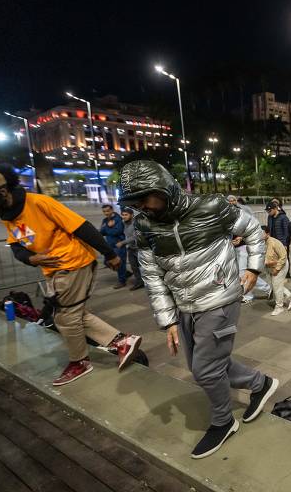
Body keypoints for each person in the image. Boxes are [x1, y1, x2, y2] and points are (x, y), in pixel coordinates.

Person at [118, 160, 278, 459]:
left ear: (163, 188)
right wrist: (168, 321)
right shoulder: (144, 224)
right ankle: (261, 383)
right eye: (134, 201)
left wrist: (254, 268)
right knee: (206, 366)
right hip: (183, 305)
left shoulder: (212, 206)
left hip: (219, 299)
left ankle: (223, 421)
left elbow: (254, 230)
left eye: (144, 197)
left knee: (205, 370)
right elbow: (151, 275)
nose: (141, 206)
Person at [0, 167, 141, 386]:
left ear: (2, 190)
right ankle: (122, 341)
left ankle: (80, 362)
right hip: (53, 269)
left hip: (73, 262)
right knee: (71, 313)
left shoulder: (40, 203)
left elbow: (82, 227)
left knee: (65, 317)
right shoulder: (8, 215)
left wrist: (109, 254)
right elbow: (16, 245)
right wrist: (31, 258)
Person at [260, 226, 291, 316]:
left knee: (277, 287)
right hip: (269, 267)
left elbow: (283, 256)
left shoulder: (274, 242)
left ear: (267, 234)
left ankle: (279, 307)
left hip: (281, 265)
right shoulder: (261, 243)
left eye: (262, 233)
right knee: (274, 286)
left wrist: (277, 269)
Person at [100, 204, 128, 289]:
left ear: (112, 210)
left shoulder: (118, 219)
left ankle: (122, 281)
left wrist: (107, 227)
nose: (106, 213)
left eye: (108, 211)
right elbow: (102, 232)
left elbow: (117, 232)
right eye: (104, 211)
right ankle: (125, 273)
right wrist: (108, 228)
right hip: (110, 245)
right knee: (107, 262)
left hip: (118, 245)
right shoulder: (105, 220)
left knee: (119, 263)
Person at [119, 207, 144, 290]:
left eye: (126, 215)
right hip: (131, 248)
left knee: (143, 266)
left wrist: (122, 243)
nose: (123, 216)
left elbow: (135, 237)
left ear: (132, 215)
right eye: (122, 215)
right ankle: (139, 282)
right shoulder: (124, 223)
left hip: (139, 248)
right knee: (133, 266)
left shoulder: (136, 224)